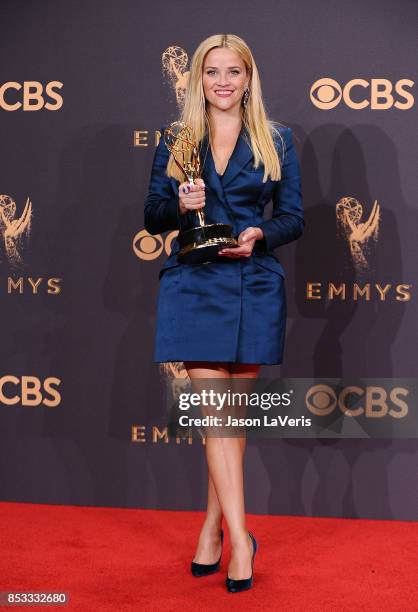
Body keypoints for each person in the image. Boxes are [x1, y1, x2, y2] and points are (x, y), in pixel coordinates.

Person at [144, 33, 304, 593]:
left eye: (234, 71)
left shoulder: (275, 138)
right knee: (217, 417)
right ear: (198, 78)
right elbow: (152, 216)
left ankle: (212, 523)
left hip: (253, 282)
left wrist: (260, 235)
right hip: (194, 281)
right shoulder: (176, 138)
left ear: (249, 77)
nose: (224, 82)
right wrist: (179, 206)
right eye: (213, 72)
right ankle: (242, 540)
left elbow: (293, 217)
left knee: (229, 423)